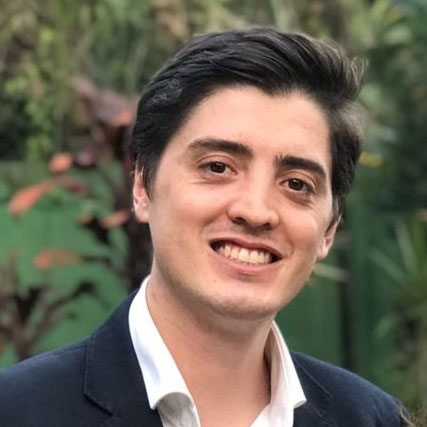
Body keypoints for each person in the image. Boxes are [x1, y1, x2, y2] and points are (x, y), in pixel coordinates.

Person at [0, 28, 409, 427]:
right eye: (217, 167)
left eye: (296, 185)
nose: (256, 211)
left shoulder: (371, 418)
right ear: (142, 186)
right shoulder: (17, 411)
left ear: (329, 229)